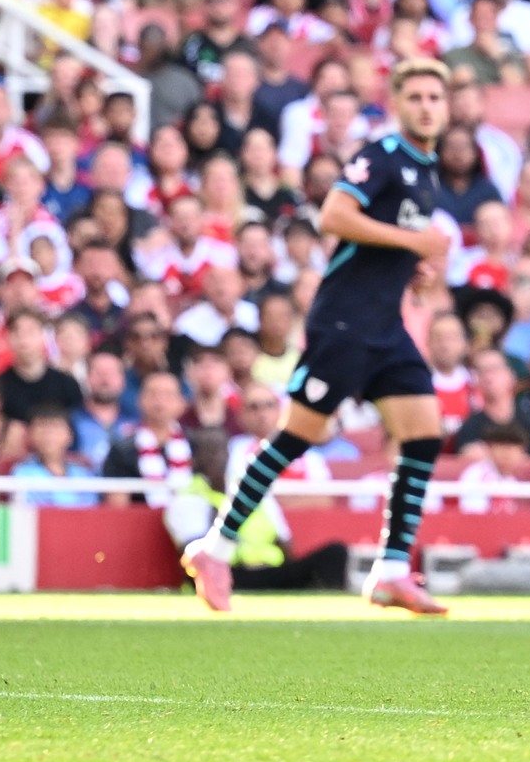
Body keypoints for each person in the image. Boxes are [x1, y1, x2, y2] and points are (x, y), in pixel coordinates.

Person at [182, 59, 453, 615]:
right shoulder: (382, 154)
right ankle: (215, 547)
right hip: (344, 322)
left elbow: (385, 248)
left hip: (386, 325)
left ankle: (390, 570)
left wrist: (415, 271)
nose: (427, 106)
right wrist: (412, 242)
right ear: (397, 103)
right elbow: (334, 215)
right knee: (296, 436)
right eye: (416, 97)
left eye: (435, 97)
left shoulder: (427, 172)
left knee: (424, 434)